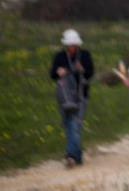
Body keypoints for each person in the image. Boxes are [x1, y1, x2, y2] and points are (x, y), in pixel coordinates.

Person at [49, 29, 94, 167]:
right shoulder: (60, 56)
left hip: (80, 96)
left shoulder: (85, 55)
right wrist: (58, 72)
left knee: (75, 125)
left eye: (73, 45)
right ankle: (77, 156)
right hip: (65, 97)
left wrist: (83, 70)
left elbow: (90, 73)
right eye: (69, 45)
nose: (71, 48)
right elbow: (52, 75)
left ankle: (71, 155)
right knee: (68, 124)